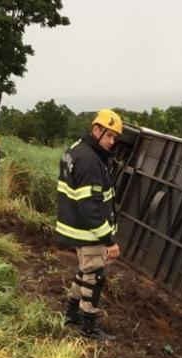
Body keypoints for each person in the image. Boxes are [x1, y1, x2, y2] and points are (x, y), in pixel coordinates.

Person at [56, 109, 123, 341]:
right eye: (109, 136)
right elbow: (90, 207)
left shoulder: (76, 150)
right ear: (96, 130)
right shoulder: (90, 161)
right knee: (95, 277)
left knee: (85, 272)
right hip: (88, 231)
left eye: (115, 138)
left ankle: (71, 314)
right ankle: (89, 327)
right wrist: (109, 240)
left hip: (75, 227)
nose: (112, 142)